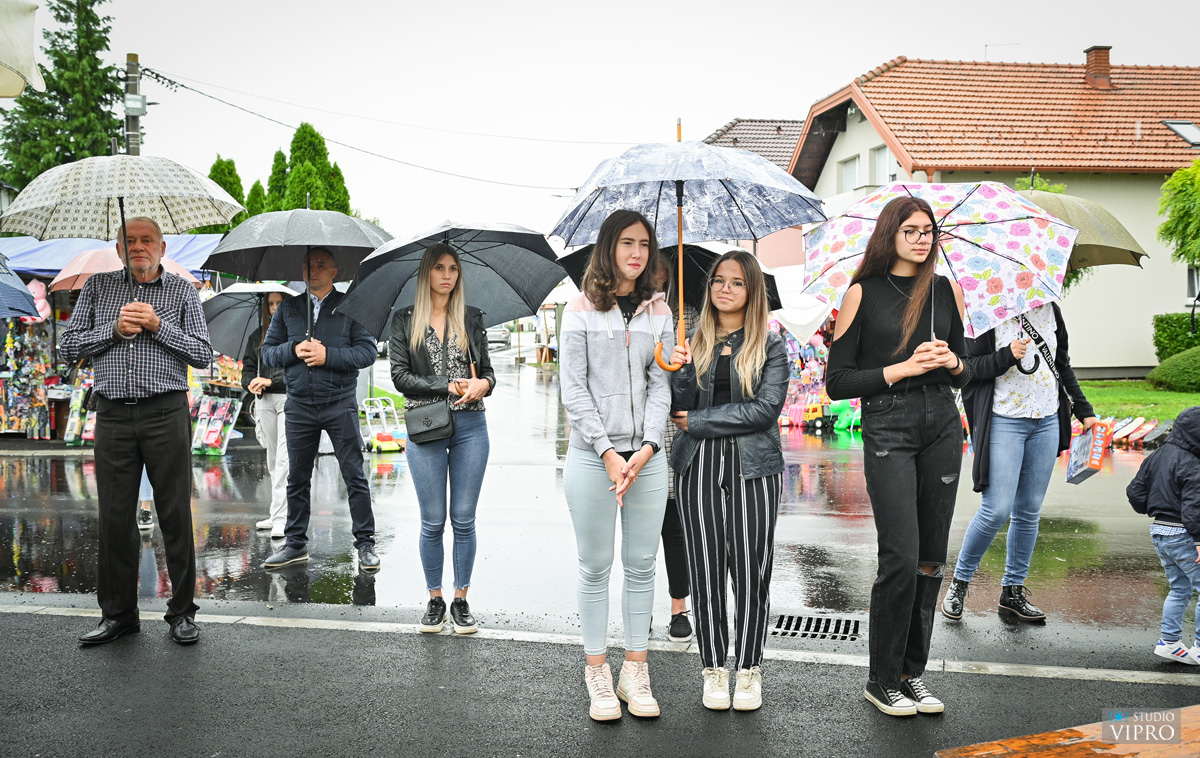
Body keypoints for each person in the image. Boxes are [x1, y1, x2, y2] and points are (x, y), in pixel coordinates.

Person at [826, 196, 970, 716]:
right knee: (901, 558)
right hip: (889, 423)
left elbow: (967, 371)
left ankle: (912, 674)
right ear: (890, 234)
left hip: (943, 423)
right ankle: (882, 678)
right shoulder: (862, 293)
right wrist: (902, 368)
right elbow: (838, 382)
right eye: (911, 230)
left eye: (928, 230)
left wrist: (951, 360)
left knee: (931, 559)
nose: (922, 239)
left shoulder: (944, 291)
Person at [61, 216, 211, 646]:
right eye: (130, 240)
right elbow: (68, 347)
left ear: (162, 248)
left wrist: (157, 325)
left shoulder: (182, 291)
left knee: (175, 515)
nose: (139, 246)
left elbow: (203, 354)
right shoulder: (97, 287)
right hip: (111, 414)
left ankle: (182, 613)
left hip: (165, 411)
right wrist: (113, 331)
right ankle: (119, 615)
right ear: (119, 249)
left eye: (147, 240)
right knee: (114, 518)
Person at [560, 209, 674, 721]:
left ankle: (635, 669)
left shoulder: (660, 311)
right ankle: (596, 672)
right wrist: (607, 451)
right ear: (608, 247)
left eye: (645, 244)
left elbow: (659, 385)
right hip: (592, 458)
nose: (637, 253)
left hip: (647, 458)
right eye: (627, 242)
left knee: (643, 566)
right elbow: (573, 389)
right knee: (595, 567)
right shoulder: (578, 309)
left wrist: (646, 448)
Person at [668, 249, 789, 712]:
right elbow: (676, 408)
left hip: (753, 465)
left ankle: (750, 668)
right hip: (697, 464)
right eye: (719, 280)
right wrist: (680, 369)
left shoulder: (770, 346)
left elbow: (765, 411)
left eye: (737, 282)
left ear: (752, 291)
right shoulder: (691, 340)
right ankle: (714, 667)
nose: (725, 288)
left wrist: (700, 421)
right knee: (705, 567)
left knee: (751, 570)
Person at [942, 304, 1096, 623]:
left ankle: (1012, 591)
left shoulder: (1050, 311)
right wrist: (1007, 355)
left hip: (1046, 419)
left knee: (1028, 511)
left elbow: (1061, 365)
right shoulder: (985, 313)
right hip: (1004, 420)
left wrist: (1084, 409)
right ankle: (959, 584)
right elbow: (967, 369)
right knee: (996, 509)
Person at [389, 242, 495, 635]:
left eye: (453, 268)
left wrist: (483, 384)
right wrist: (447, 385)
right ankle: (435, 599)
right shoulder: (404, 320)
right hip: (426, 426)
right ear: (426, 273)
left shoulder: (471, 317)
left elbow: (489, 373)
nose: (447, 275)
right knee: (433, 521)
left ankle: (461, 599)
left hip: (471, 428)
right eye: (439, 268)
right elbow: (400, 376)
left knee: (463, 520)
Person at [261, 248, 380, 572]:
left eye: (321, 265)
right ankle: (295, 543)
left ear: (333, 272)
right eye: (308, 265)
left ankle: (365, 544)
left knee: (354, 475)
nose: (313, 270)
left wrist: (329, 356)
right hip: (299, 404)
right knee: (297, 478)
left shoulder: (350, 306)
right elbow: (268, 353)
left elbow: (367, 352)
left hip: (339, 402)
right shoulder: (288, 308)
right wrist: (293, 349)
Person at [1128, 406, 1200, 665]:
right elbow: (1194, 506)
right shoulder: (1194, 463)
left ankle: (1169, 643)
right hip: (1185, 534)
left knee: (1179, 589)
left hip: (1160, 531)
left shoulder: (1156, 455)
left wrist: (1154, 506)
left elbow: (1135, 492)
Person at [654, 255, 697, 643]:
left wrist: (686, 364)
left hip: (679, 426)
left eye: (660, 271)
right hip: (638, 429)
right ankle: (638, 609)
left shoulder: (690, 315)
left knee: (677, 525)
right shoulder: (624, 315)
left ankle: (679, 607)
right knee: (639, 531)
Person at [242, 291, 289, 539]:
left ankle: (282, 518)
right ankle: (277, 513)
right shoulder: (257, 335)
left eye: (279, 303)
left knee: (284, 460)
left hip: (288, 400)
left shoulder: (295, 333)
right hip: (264, 401)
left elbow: (298, 372)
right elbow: (248, 368)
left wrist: (270, 381)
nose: (274, 308)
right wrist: (250, 382)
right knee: (272, 459)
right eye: (270, 303)